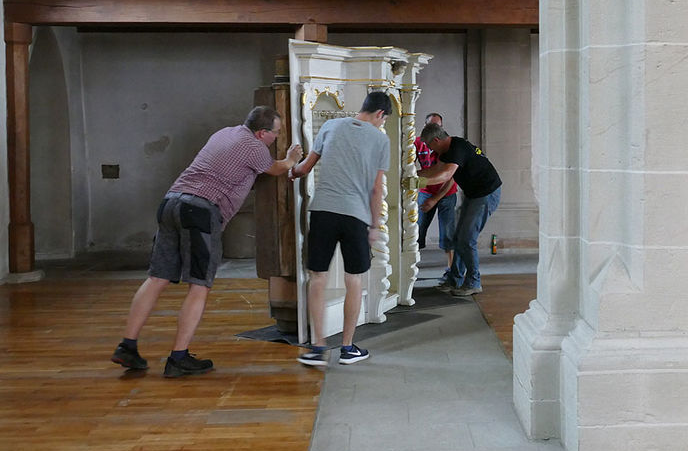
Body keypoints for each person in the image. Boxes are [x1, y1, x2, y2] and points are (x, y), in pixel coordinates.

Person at [111, 106, 303, 378]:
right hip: (200, 211)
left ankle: (127, 346)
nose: (276, 137)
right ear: (262, 133)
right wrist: (291, 157)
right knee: (199, 286)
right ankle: (178, 358)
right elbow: (277, 169)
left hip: (171, 203)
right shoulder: (255, 147)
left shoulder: (225, 133)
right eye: (276, 133)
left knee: (156, 279)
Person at [290, 91, 391, 367]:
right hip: (355, 217)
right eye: (383, 120)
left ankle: (317, 348)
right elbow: (376, 188)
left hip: (323, 211)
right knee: (354, 280)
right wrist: (374, 224)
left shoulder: (330, 126)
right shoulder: (381, 140)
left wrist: (289, 167)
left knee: (317, 277)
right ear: (380, 114)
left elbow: (305, 168)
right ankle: (347, 348)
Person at [419, 123, 502, 296]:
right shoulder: (447, 152)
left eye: (429, 145)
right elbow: (436, 170)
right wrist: (414, 174)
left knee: (467, 238)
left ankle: (473, 281)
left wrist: (417, 182)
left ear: (436, 140)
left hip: (486, 194)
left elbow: (446, 175)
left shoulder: (457, 148)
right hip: (473, 195)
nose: (429, 149)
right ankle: (454, 279)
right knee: (459, 237)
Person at [414, 112, 457, 268]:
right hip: (426, 191)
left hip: (447, 192)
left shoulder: (447, 145)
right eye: (431, 126)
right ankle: (410, 268)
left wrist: (436, 198)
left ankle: (451, 269)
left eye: (438, 127)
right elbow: (407, 163)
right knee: (417, 229)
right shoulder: (418, 143)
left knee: (447, 232)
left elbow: (450, 176)